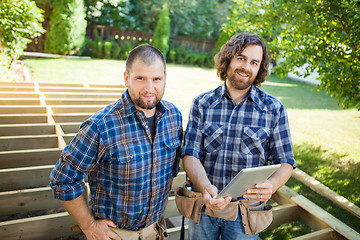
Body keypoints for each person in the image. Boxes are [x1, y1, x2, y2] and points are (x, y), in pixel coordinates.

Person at [50, 44, 183, 240]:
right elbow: (63, 179)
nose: (149, 88)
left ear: (164, 79)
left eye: (156, 79)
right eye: (140, 78)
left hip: (155, 232)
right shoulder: (101, 126)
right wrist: (88, 225)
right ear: (126, 78)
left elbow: (170, 171)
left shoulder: (174, 117)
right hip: (115, 235)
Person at [181, 32, 296, 240]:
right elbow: (190, 154)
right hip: (204, 207)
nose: (246, 67)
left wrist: (271, 185)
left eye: (254, 62)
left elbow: (286, 161)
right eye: (241, 58)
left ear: (260, 68)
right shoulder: (203, 103)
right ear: (228, 59)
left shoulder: (274, 109)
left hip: (245, 214)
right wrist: (207, 188)